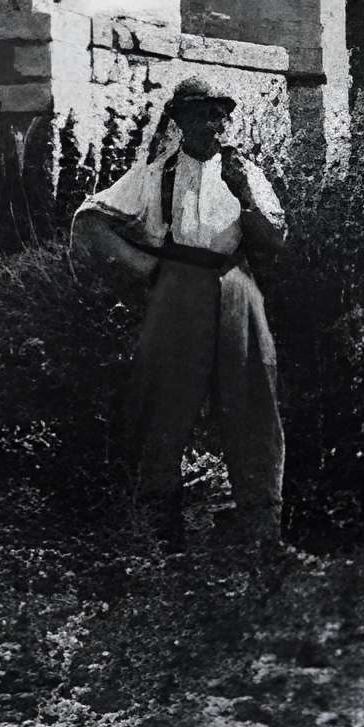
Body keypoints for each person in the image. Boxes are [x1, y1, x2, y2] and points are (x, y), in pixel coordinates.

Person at [70, 75, 291, 560]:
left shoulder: (245, 172)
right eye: (200, 114)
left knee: (253, 396)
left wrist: (244, 194)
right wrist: (144, 267)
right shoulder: (154, 175)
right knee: (162, 405)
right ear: (179, 120)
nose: (212, 124)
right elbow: (90, 219)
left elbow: (276, 242)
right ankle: (159, 537)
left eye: (218, 114)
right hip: (177, 294)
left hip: (236, 288)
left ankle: (261, 531)